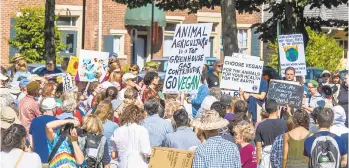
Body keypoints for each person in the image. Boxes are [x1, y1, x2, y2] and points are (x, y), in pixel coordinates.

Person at [255, 99, 287, 167]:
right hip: (280, 156)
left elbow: (258, 147)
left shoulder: (260, 125)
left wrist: (257, 163)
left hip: (266, 158)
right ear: (277, 108)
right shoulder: (284, 124)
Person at [29, 98, 57, 166]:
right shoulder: (57, 122)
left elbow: (31, 142)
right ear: (53, 109)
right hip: (52, 160)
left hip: (37, 159)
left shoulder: (34, 121)